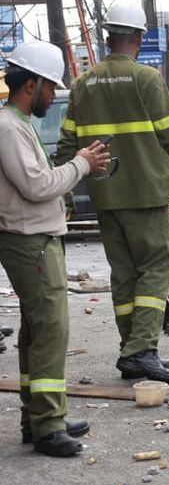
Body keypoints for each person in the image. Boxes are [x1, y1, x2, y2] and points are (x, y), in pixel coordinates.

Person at [55, 2, 169, 386]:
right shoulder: (147, 79)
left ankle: (132, 351)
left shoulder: (83, 84)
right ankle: (141, 350)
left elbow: (66, 144)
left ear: (109, 37)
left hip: (106, 196)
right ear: (138, 37)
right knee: (155, 269)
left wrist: (65, 191)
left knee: (123, 276)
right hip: (147, 194)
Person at [0, 42, 109, 456]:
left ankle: (40, 419)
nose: (52, 95)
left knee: (36, 332)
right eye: (49, 88)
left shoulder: (17, 123)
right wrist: (81, 163)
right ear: (32, 84)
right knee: (50, 331)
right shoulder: (9, 127)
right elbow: (36, 186)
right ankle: (47, 426)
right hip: (29, 241)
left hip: (34, 238)